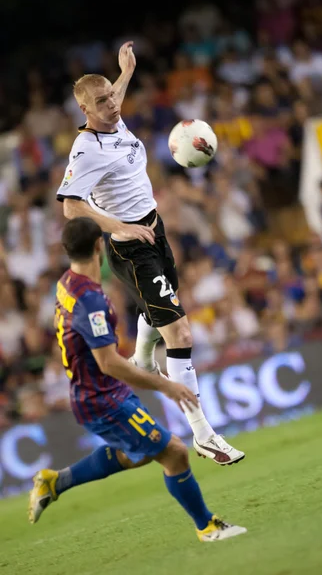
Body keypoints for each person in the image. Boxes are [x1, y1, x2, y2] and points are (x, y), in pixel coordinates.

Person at [56, 41, 244, 465]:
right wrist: (120, 226)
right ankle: (204, 434)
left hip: (155, 233)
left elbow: (113, 97)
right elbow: (71, 205)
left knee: (156, 316)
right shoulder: (86, 150)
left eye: (112, 96)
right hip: (131, 248)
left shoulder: (112, 113)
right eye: (101, 102)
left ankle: (141, 359)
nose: (112, 105)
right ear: (85, 110)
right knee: (180, 334)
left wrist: (125, 71)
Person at [28, 217, 247, 542]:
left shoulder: (65, 282)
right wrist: (166, 385)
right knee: (174, 452)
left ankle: (55, 482)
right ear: (100, 245)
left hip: (100, 392)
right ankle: (207, 526)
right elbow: (109, 363)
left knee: (139, 452)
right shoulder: (90, 300)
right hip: (101, 399)